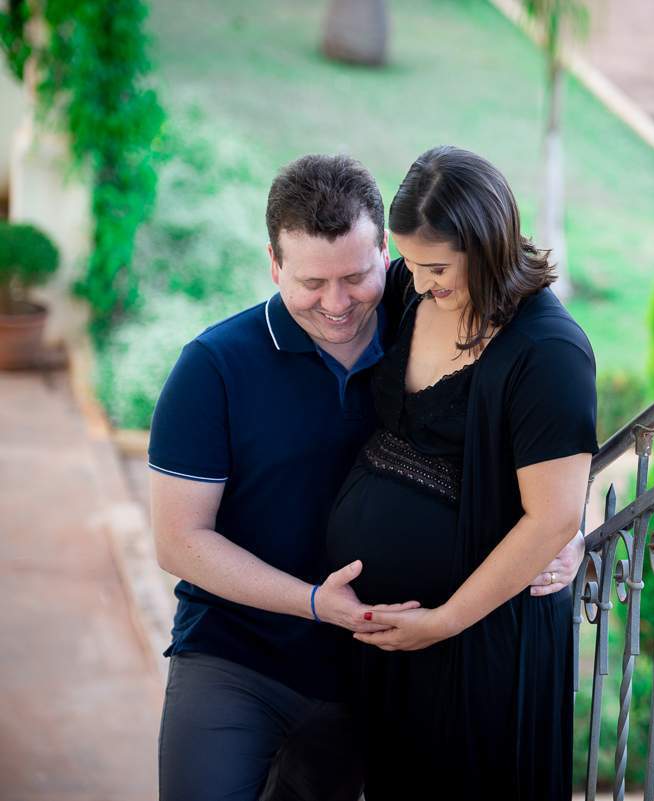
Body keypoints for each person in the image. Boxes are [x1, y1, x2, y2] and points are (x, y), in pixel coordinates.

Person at [148, 153, 583, 801]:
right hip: (241, 652)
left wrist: (566, 530)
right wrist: (315, 602)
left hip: (380, 663)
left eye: (356, 275)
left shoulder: (416, 307)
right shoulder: (216, 367)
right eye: (311, 282)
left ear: (383, 253)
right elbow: (177, 540)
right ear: (273, 264)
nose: (336, 303)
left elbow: (538, 441)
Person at [324, 145, 598, 800]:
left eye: (437, 267)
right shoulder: (411, 292)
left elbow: (554, 514)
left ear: (488, 246)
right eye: (410, 263)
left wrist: (444, 620)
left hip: (480, 645)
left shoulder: (549, 351)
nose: (419, 283)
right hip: (391, 641)